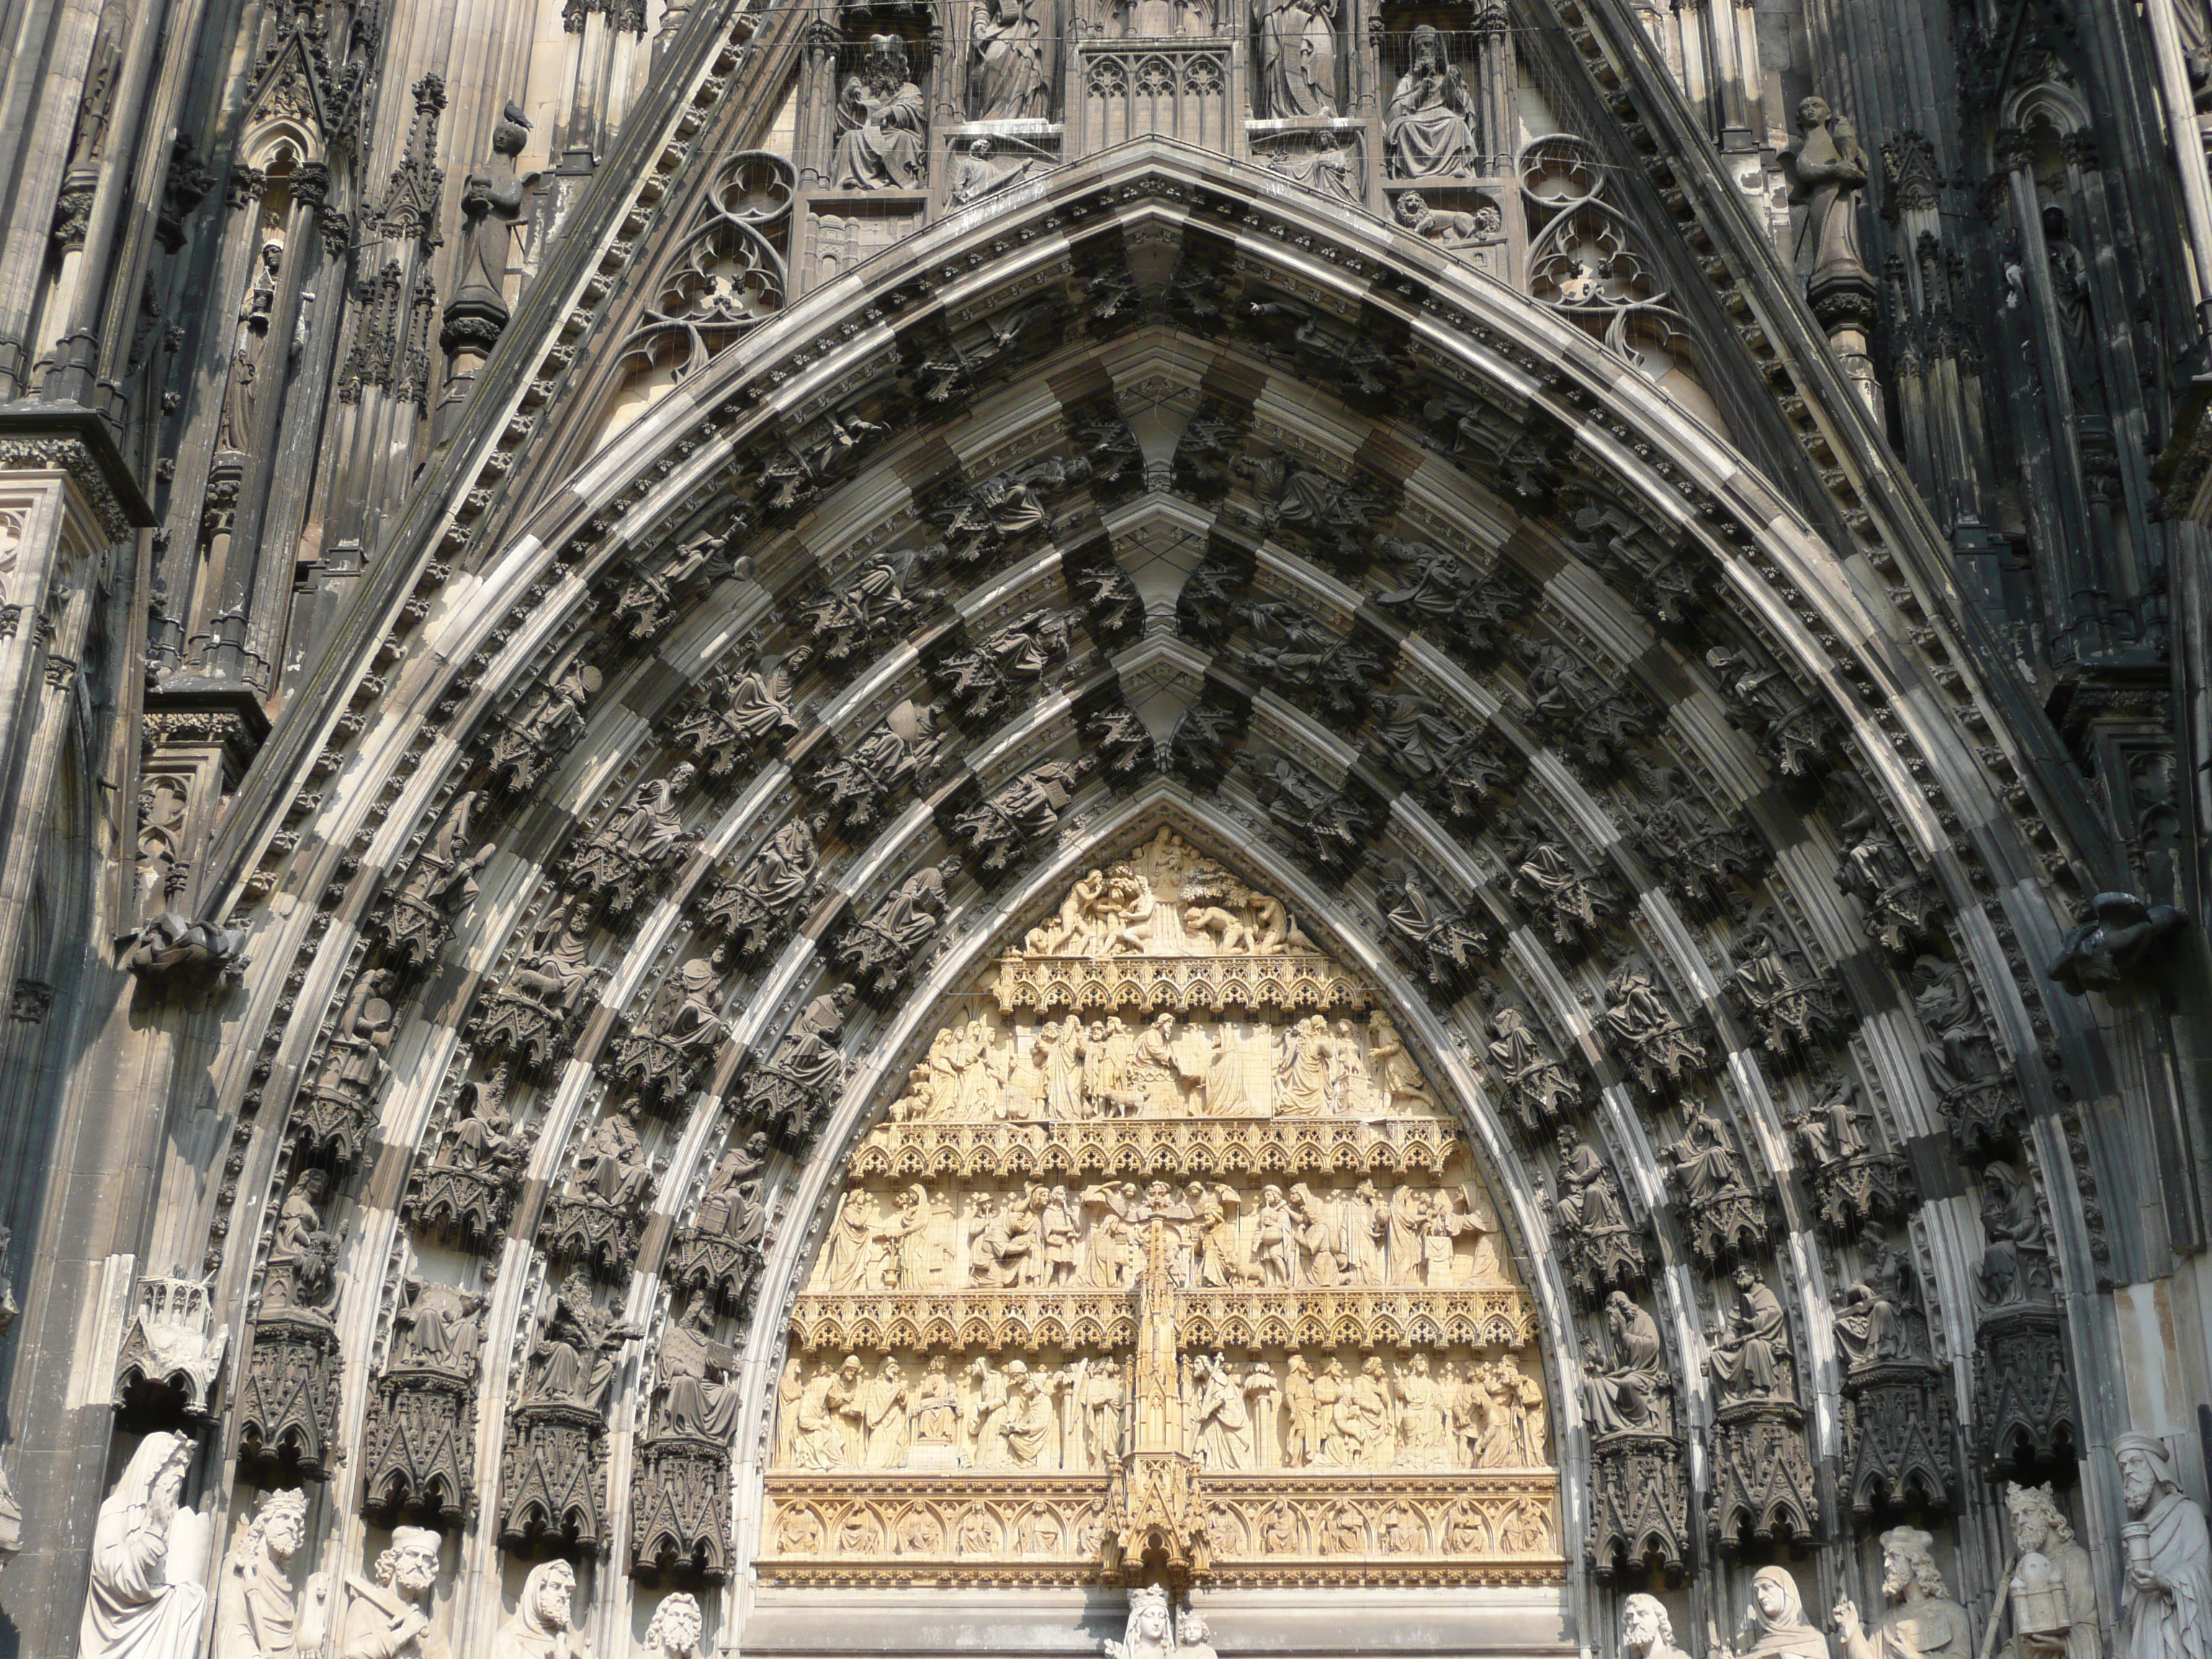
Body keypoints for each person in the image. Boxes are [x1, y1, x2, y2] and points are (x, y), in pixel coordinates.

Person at [80, 1431, 209, 1659]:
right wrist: (156, 1530)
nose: (181, 1473)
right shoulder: (117, 1508)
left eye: (185, 1466)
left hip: (159, 1634)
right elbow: (110, 1573)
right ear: (153, 1466)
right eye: (176, 1463)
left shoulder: (176, 1519)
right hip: (115, 1632)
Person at [2115, 1432, 2212, 1659]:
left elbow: (2202, 1572)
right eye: (2122, 1467)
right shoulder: (2136, 1530)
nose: (2127, 1471)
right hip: (2143, 1629)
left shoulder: (2187, 1513)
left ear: (2154, 1467)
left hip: (2176, 1626)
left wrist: (2164, 1583)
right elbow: (2129, 1602)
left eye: (2135, 1462)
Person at [1835, 1526, 1973, 1659]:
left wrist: (1914, 1657)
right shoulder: (1887, 1622)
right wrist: (1851, 1629)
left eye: (1894, 1556)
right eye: (1886, 1558)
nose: (1887, 1564)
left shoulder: (1950, 1612)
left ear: (1915, 1562)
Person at [1384, 26, 1476, 177]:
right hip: (1416, 121)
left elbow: (1464, 105)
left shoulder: (1445, 77)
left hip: (1444, 119)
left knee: (1457, 124)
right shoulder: (1407, 82)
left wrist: (1453, 85)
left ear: (1438, 50)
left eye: (1428, 44)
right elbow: (1393, 115)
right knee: (1406, 128)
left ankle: (1457, 168)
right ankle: (1409, 174)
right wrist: (1420, 91)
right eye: (1418, 47)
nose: (1423, 50)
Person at [490, 1559, 594, 1659]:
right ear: (536, 1591)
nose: (564, 1595)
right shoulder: (507, 1639)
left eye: (567, 1590)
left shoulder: (568, 1644)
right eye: (555, 1587)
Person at [1734, 1566, 1827, 1659]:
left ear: (1786, 1590)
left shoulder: (1813, 1640)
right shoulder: (1760, 1646)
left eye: (1766, 1587)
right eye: (1756, 1591)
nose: (1760, 1596)